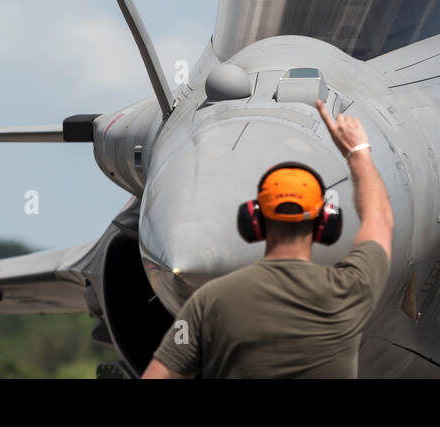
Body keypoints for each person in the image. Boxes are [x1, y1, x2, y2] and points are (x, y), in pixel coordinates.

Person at [142, 100, 393, 378]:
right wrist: (358, 154)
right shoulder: (349, 290)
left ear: (254, 219)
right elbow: (379, 217)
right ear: (325, 222)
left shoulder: (209, 302)